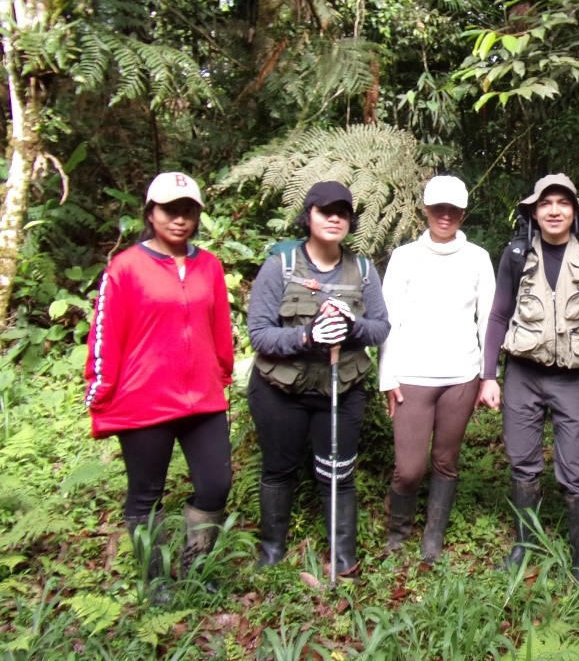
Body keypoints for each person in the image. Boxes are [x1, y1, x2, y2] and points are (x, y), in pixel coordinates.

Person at [85, 172, 234, 603]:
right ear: (150, 213)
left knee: (215, 485)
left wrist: (222, 373)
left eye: (188, 211)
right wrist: (101, 388)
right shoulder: (126, 267)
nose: (180, 220)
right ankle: (155, 582)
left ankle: (194, 568)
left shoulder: (210, 265)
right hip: (144, 398)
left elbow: (219, 328)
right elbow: (105, 334)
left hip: (203, 398)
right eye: (170, 210)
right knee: (146, 493)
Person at [247, 181, 390, 579]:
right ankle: (271, 551)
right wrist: (306, 336)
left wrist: (352, 326)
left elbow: (380, 328)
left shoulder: (362, 270)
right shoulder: (281, 266)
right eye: (325, 210)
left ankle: (343, 558)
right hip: (281, 391)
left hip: (340, 390)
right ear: (307, 216)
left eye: (342, 212)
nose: (334, 218)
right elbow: (258, 333)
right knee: (278, 468)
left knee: (338, 471)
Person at [480, 173, 579, 581]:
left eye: (563, 203)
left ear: (575, 212)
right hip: (523, 374)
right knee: (523, 463)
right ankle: (524, 544)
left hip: (574, 377)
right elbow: (499, 313)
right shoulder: (516, 253)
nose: (554, 211)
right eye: (546, 204)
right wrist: (489, 376)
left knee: (577, 468)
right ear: (534, 212)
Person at [378, 175, 496, 563]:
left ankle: (433, 537)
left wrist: (488, 374)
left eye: (453, 210)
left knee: (446, 461)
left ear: (463, 213)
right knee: (409, 468)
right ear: (425, 211)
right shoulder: (404, 257)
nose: (445, 216)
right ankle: (398, 531)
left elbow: (487, 319)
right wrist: (387, 375)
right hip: (412, 375)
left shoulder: (477, 257)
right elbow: (387, 319)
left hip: (461, 375)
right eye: (438, 209)